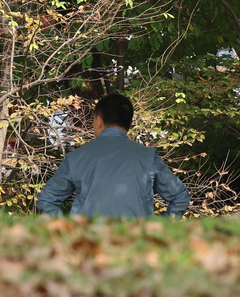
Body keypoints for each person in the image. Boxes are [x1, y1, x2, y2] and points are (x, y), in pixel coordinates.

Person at [36, 93, 190, 219]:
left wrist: (68, 230)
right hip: (138, 245)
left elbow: (46, 200)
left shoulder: (76, 157)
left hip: (89, 245)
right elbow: (180, 197)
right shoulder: (148, 157)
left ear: (99, 121)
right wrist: (158, 228)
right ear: (128, 123)